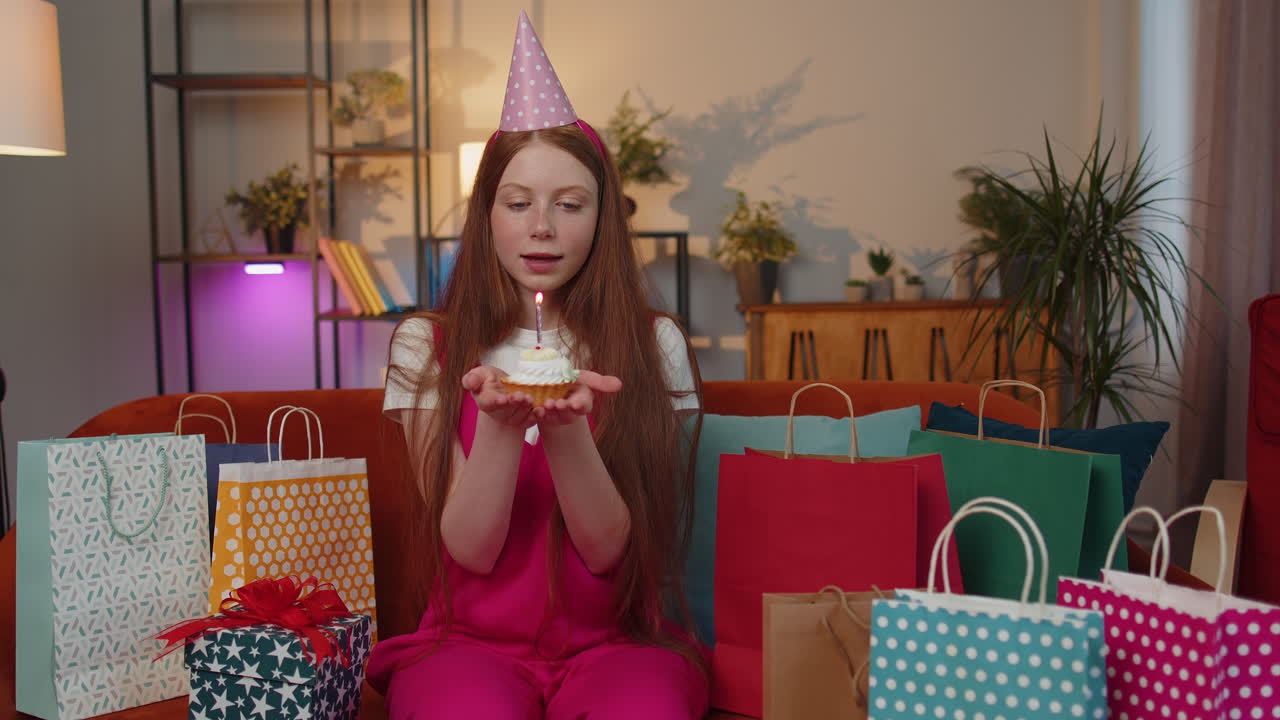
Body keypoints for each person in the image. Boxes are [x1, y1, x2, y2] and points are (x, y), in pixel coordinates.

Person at [366, 11, 709, 719]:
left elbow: (610, 551)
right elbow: (470, 550)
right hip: (468, 646)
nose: (542, 228)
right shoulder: (424, 346)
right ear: (487, 214)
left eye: (569, 204)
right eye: (518, 203)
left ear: (603, 216)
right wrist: (498, 428)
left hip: (620, 643)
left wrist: (566, 431)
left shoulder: (656, 344)